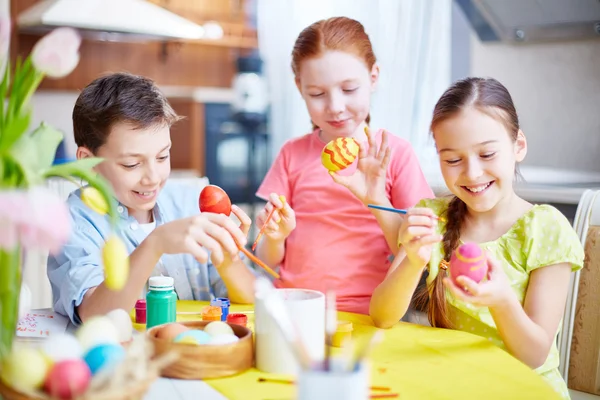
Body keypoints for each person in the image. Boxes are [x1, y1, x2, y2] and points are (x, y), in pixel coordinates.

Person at [369, 77, 584, 398]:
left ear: (518, 146)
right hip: (455, 384)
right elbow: (382, 317)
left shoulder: (545, 228)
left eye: (486, 155)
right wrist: (412, 263)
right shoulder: (433, 215)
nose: (471, 173)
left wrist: (501, 301)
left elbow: (534, 355)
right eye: (453, 160)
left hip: (525, 389)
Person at [254, 16, 433, 314]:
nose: (335, 106)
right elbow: (267, 258)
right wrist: (276, 236)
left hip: (370, 312)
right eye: (317, 94)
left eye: (349, 89)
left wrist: (376, 198)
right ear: (299, 87)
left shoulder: (395, 154)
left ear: (373, 77)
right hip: (292, 307)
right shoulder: (291, 154)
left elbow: (413, 253)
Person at [48, 72, 256, 325]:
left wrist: (228, 260)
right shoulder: (71, 221)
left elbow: (250, 298)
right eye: (131, 164)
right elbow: (94, 313)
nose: (153, 177)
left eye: (162, 157)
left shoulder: (190, 201)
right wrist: (154, 244)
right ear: (88, 163)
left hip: (195, 355)